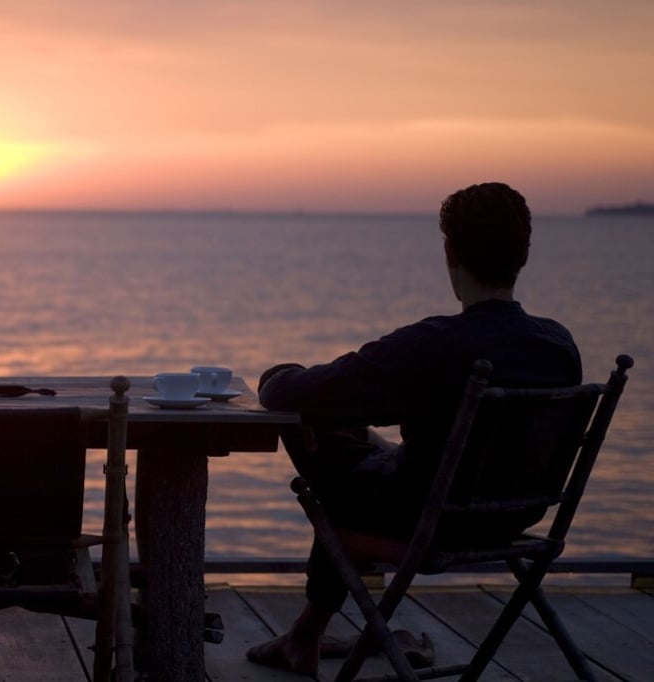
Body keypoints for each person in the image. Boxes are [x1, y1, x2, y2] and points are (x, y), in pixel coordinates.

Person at [245, 182, 582, 676]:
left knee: (312, 434)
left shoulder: (433, 344)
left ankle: (304, 638)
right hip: (512, 520)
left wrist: (277, 371)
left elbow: (287, 394)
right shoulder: (559, 345)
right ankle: (303, 635)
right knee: (355, 446)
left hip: (423, 520)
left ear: (450, 252)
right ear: (524, 254)